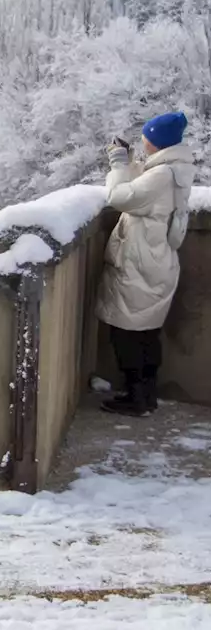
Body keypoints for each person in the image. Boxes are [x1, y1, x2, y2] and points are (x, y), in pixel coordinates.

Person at [97, 111, 194, 418]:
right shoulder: (174, 170)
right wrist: (132, 161)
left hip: (141, 265)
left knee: (127, 335)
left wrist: (117, 164)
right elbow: (145, 188)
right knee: (146, 333)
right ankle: (146, 395)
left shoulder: (163, 175)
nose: (144, 141)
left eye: (147, 139)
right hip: (158, 260)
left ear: (159, 142)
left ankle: (136, 399)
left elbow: (120, 197)